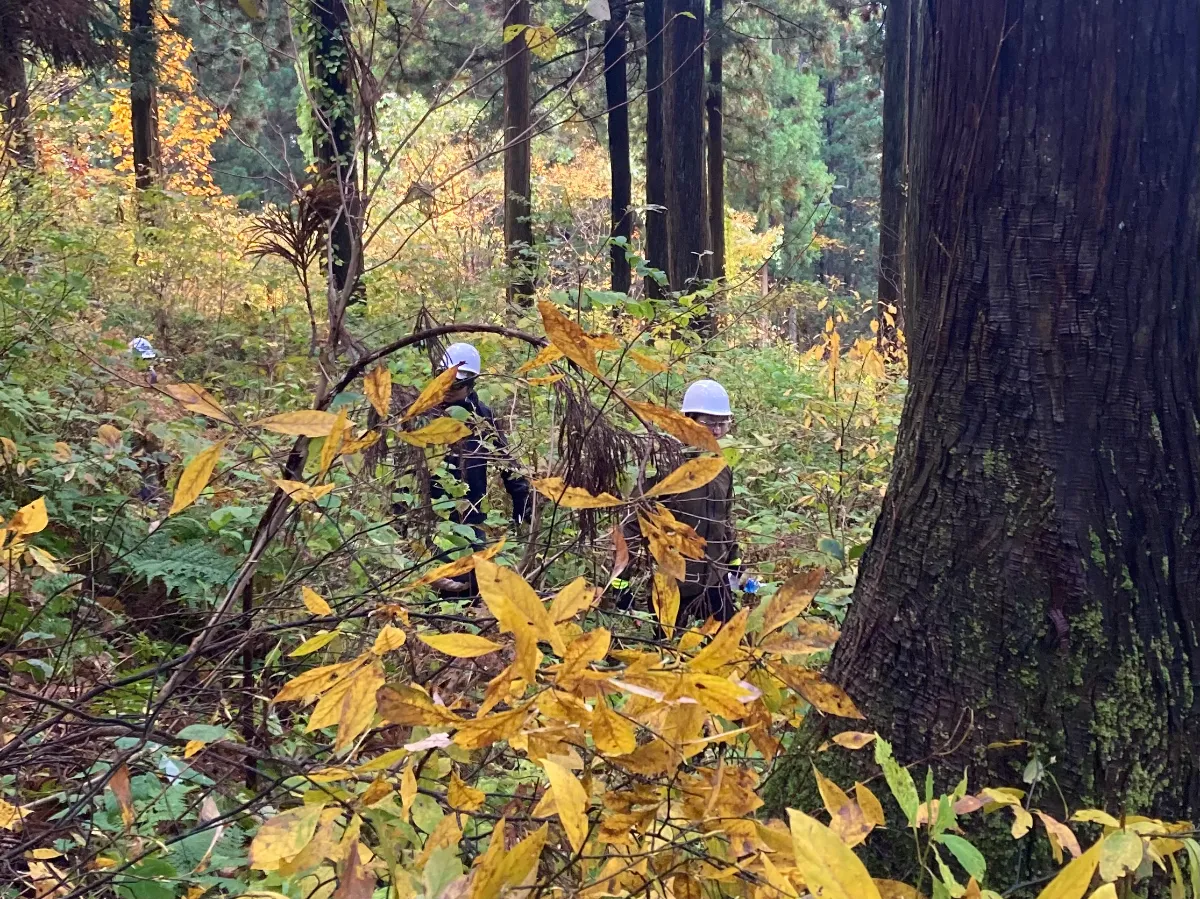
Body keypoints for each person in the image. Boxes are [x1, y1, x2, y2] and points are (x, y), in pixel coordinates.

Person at [617, 379, 745, 624]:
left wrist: (734, 564)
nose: (717, 431)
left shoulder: (721, 466)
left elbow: (724, 521)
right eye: (708, 422)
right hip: (672, 582)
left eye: (722, 423)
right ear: (688, 419)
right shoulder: (665, 465)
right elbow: (635, 524)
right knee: (665, 651)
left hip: (714, 580)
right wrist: (622, 585)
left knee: (731, 645)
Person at [425, 343, 531, 592]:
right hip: (429, 516)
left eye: (456, 384)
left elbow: (507, 464)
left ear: (471, 382)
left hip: (469, 516)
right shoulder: (425, 414)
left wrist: (522, 506)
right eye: (443, 379)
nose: (448, 388)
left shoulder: (482, 417)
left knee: (472, 586)